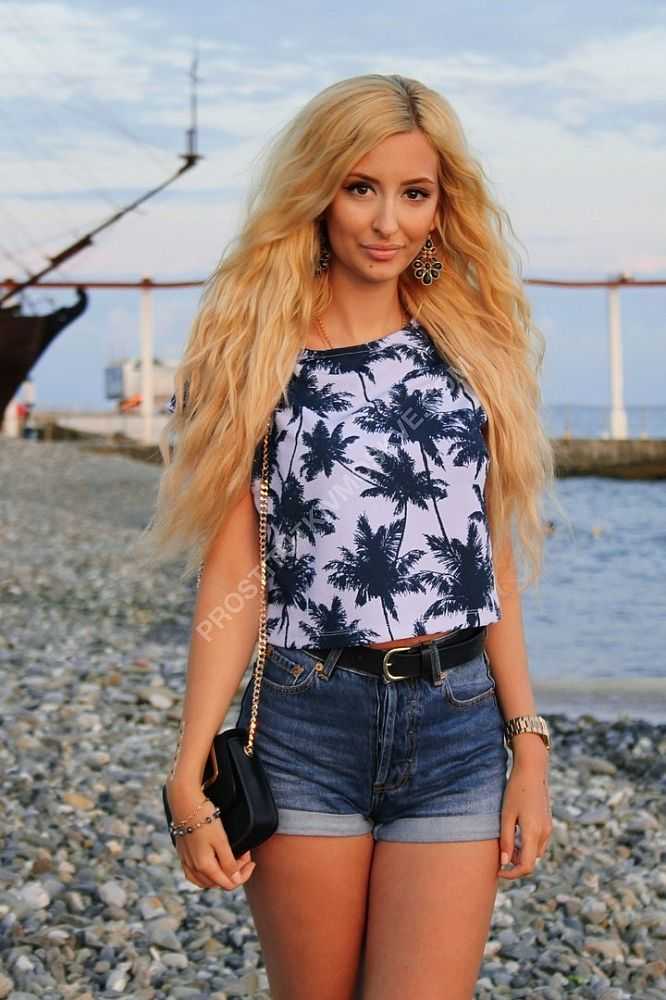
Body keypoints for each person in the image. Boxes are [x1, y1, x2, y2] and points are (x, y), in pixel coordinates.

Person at [139, 73, 556, 1000]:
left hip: (457, 726)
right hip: (305, 722)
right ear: (319, 191)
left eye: (415, 193)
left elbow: (481, 558)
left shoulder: (474, 348)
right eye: (361, 187)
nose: (387, 222)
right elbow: (237, 567)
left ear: (442, 206)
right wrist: (189, 763)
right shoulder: (252, 349)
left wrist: (527, 741)